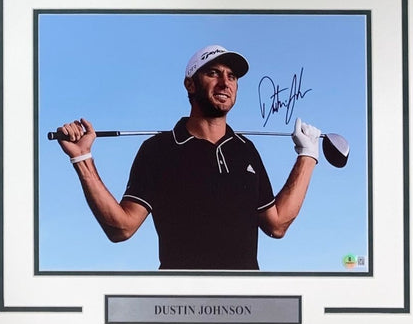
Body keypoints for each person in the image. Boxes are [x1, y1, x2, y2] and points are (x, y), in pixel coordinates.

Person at [57, 44, 320, 270]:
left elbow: (277, 225)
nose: (225, 82)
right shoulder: (158, 149)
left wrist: (307, 155)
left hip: (244, 299)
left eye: (231, 76)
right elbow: (122, 228)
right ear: (190, 84)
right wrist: (82, 158)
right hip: (181, 298)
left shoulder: (245, 150)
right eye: (213, 73)